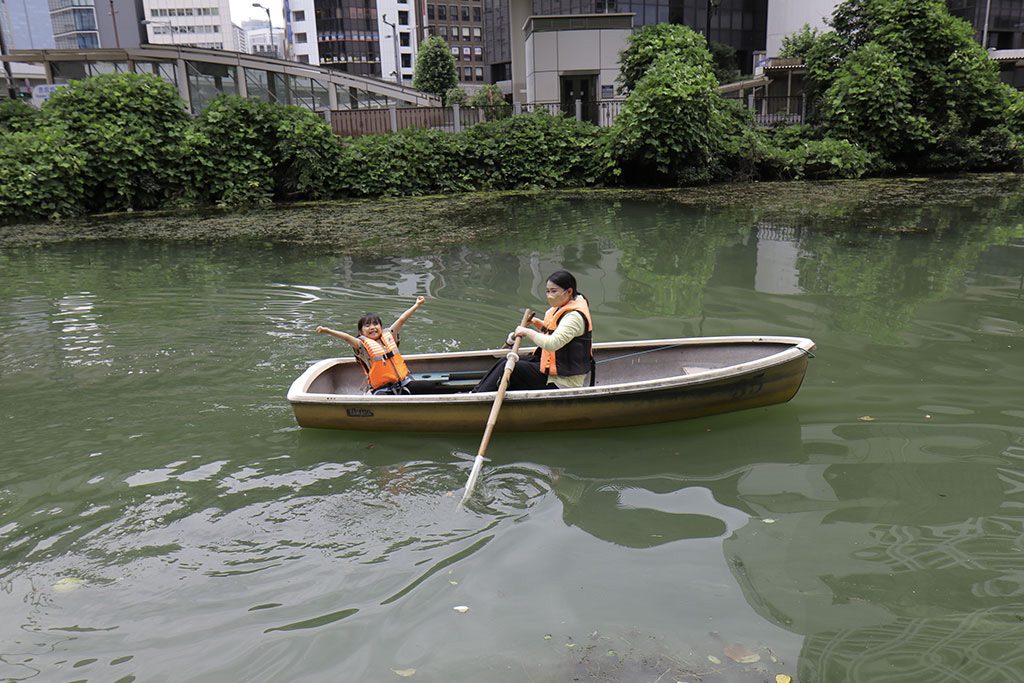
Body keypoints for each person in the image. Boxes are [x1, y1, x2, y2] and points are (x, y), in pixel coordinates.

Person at [472, 270, 593, 392]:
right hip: (552, 368)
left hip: (563, 381)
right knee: (505, 360)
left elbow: (553, 343)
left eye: (554, 291)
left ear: (569, 291)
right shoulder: (564, 304)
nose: (549, 295)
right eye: (547, 291)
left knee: (510, 367)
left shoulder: (574, 317)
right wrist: (538, 324)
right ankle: (476, 392)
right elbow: (554, 331)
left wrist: (526, 332)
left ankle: (478, 399)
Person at [316, 296, 425, 395]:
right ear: (361, 332)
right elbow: (346, 337)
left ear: (381, 327)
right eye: (367, 325)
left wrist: (417, 305)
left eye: (375, 324)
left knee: (431, 388)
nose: (372, 327)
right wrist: (328, 331)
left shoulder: (390, 334)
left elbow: (402, 319)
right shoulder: (361, 345)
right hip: (382, 389)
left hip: (404, 383)